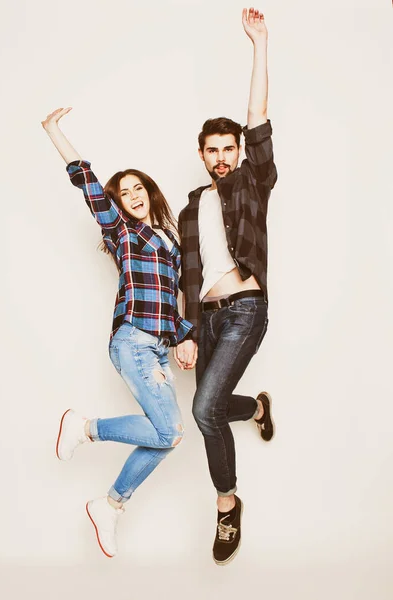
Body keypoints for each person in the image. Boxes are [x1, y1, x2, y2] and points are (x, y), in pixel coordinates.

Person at [41, 107, 193, 558]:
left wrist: (185, 335)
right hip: (132, 339)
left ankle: (109, 505)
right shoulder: (122, 231)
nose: (133, 196)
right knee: (168, 433)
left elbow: (170, 300)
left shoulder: (168, 240)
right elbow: (86, 182)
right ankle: (86, 429)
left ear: (149, 193)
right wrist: (55, 131)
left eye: (138, 188)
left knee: (170, 435)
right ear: (120, 203)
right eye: (124, 193)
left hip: (158, 346)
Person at [175, 7, 277, 566]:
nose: (220, 157)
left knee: (205, 409)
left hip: (244, 308)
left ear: (237, 152)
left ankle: (226, 503)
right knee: (205, 407)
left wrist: (259, 43)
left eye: (228, 149)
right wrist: (186, 333)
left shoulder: (251, 185)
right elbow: (187, 278)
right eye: (211, 150)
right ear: (201, 154)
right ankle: (257, 409)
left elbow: (258, 114)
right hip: (209, 317)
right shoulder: (192, 208)